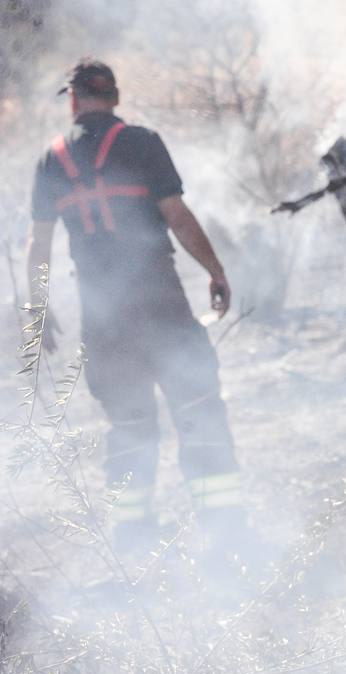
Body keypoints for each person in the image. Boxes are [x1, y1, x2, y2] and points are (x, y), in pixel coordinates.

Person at [27, 58, 244, 554]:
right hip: (162, 310)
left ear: (75, 100)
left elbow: (37, 245)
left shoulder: (51, 161)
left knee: (129, 426)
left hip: (105, 324)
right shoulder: (143, 143)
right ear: (116, 98)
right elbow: (179, 218)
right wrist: (215, 269)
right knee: (196, 410)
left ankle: (133, 539)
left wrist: (38, 310)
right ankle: (224, 528)